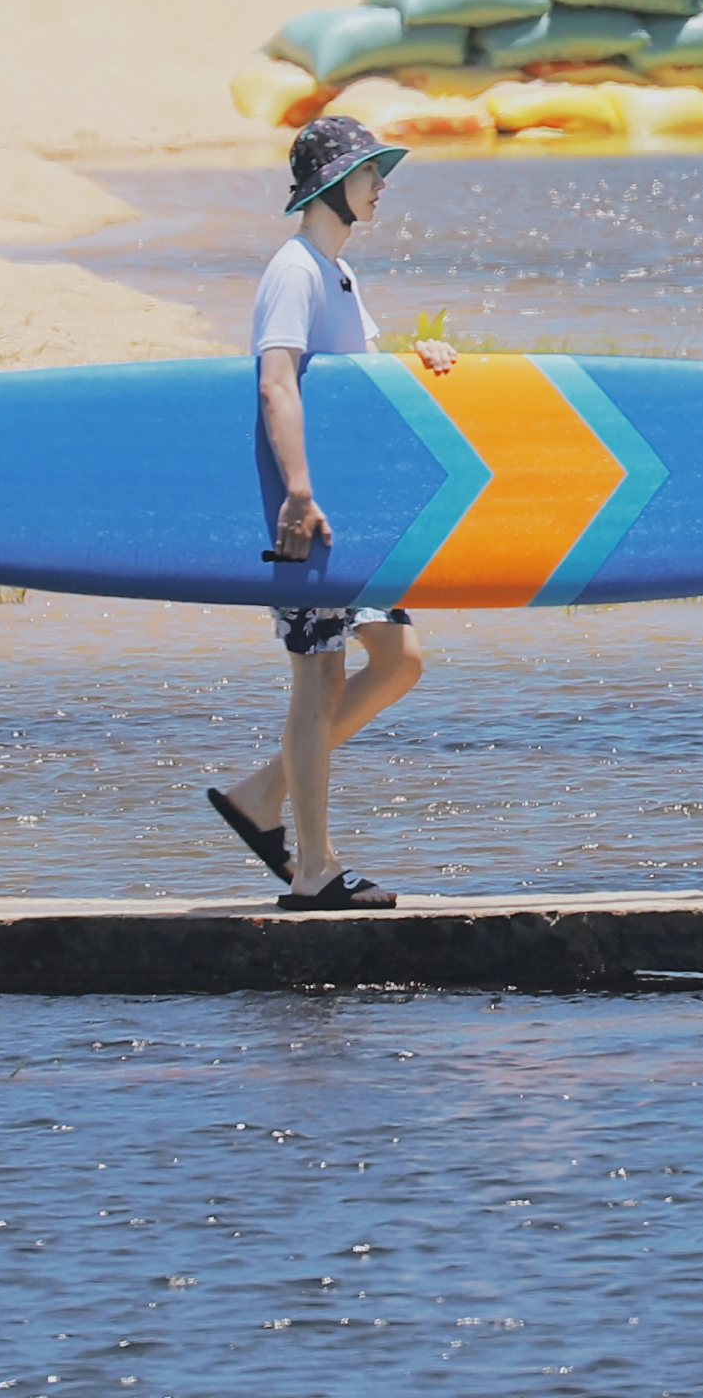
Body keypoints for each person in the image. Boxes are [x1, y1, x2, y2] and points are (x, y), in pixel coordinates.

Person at [206, 115, 454, 911]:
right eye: (369, 172)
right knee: (319, 675)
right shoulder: (294, 271)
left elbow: (358, 383)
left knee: (400, 656)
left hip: (349, 514)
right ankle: (311, 868)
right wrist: (300, 494)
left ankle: (258, 796)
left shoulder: (336, 275)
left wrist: (423, 361)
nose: (380, 186)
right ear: (330, 186)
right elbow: (276, 381)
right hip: (304, 512)